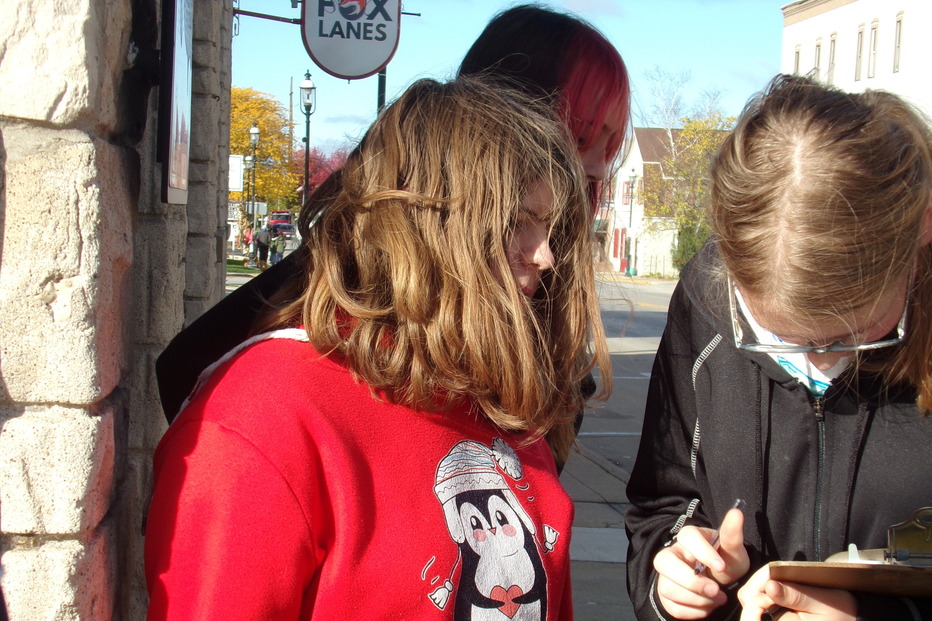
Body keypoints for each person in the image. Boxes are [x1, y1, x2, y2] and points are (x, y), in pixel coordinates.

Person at [146, 76, 612, 621]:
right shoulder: (265, 416)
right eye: (518, 223)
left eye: (549, 229)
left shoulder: (499, 397)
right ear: (432, 225)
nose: (543, 256)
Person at [625, 74, 932, 621]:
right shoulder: (710, 299)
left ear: (924, 224)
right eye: (772, 337)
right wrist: (680, 582)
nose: (814, 365)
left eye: (850, 338)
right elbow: (661, 505)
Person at [153, 3, 630, 451]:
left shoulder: (546, 272)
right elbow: (188, 367)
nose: (596, 168)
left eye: (608, 146)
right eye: (583, 135)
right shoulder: (370, 256)